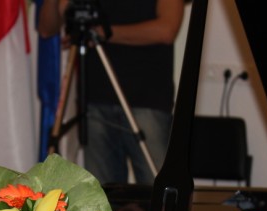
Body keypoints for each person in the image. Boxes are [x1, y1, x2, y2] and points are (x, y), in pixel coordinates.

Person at [38, 0, 185, 185]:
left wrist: (102, 33)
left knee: (156, 190)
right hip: (95, 100)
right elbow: (46, 28)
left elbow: (166, 30)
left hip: (147, 100)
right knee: (102, 198)